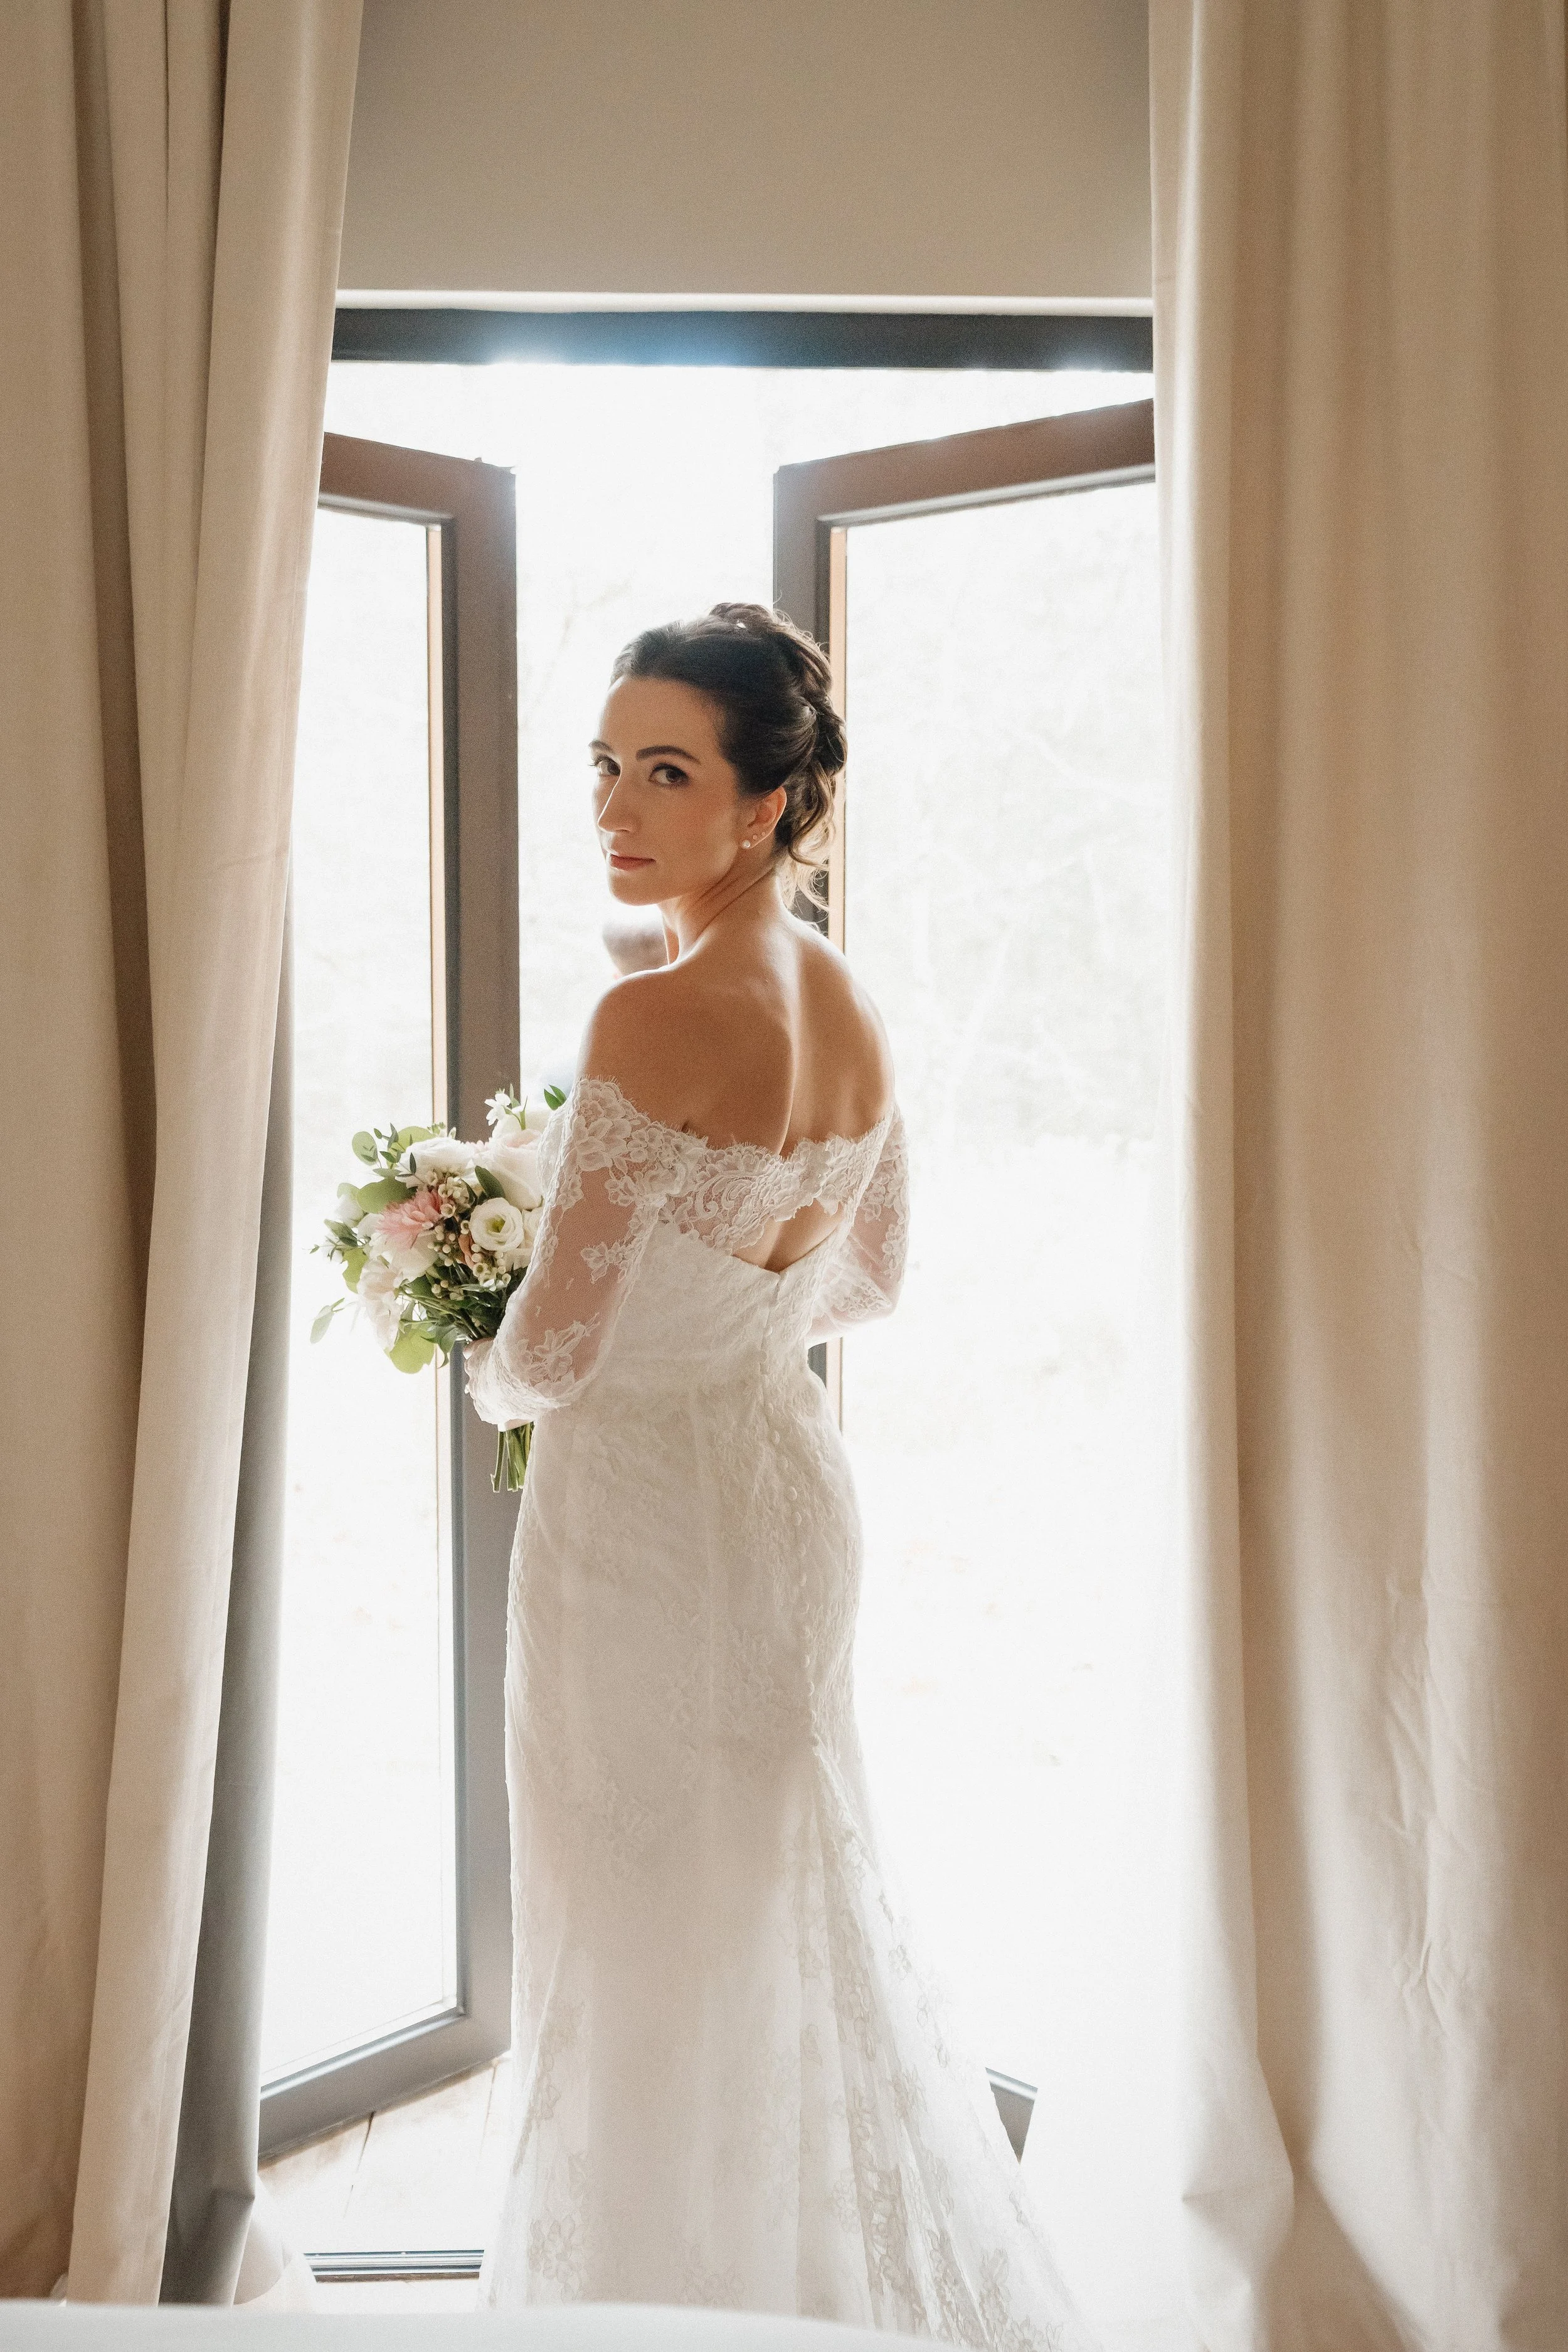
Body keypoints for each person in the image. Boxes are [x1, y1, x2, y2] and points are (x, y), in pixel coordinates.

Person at [466, 605, 1096, 2346]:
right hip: (783, 1487)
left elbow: (556, 1349)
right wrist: (729, 1309)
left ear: (762, 802)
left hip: (642, 1523)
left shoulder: (649, 1013)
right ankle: (797, 2291)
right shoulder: (852, 1004)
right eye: (605, 763)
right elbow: (868, 1279)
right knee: (777, 1885)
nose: (620, 803)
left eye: (668, 771)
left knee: (633, 1927)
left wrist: (471, 1323)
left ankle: (656, 2298)